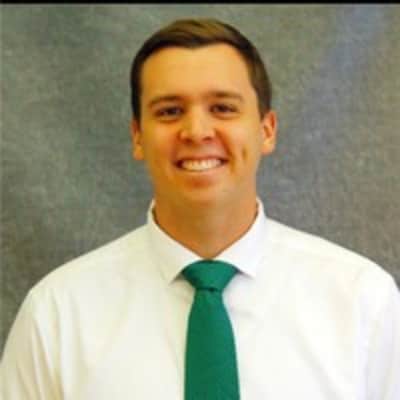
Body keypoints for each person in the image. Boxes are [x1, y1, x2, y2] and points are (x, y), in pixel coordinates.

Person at [1, 18, 399, 400]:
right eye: (169, 111)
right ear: (138, 137)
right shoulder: (57, 314)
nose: (196, 132)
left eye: (223, 108)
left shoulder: (362, 302)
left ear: (266, 130)